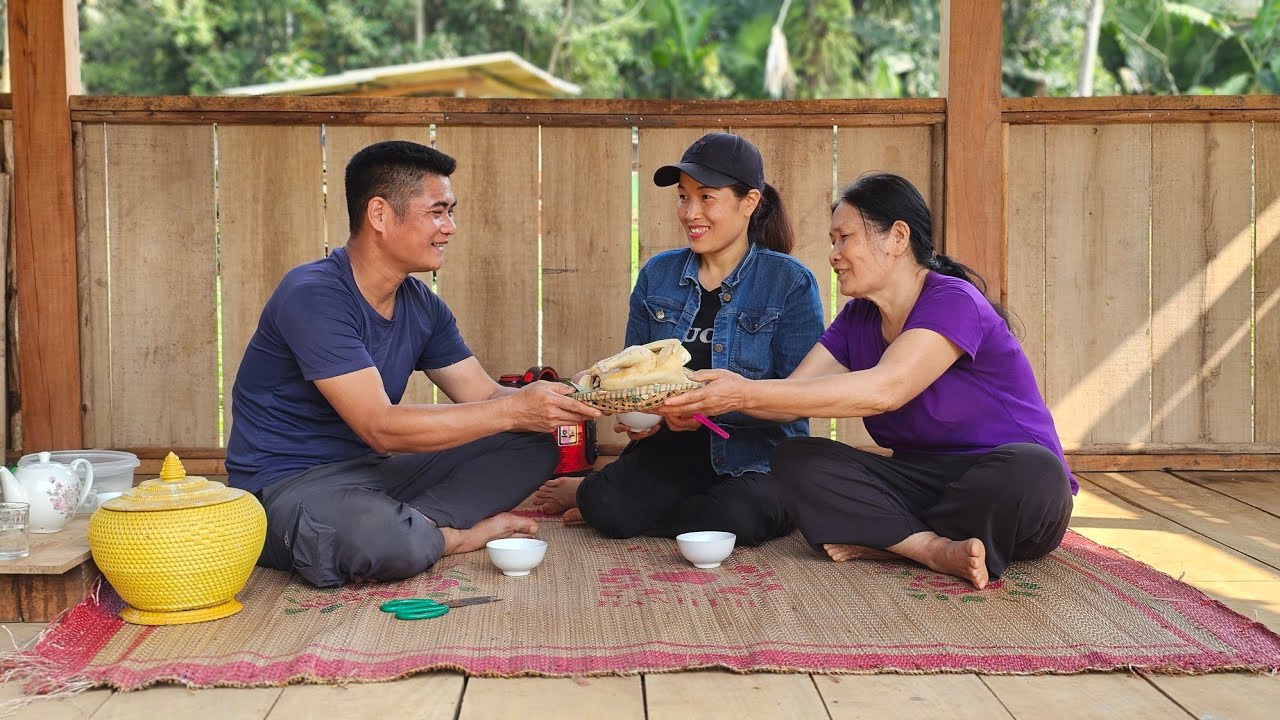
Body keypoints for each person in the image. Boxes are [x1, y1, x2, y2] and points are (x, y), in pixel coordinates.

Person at [662, 173, 1073, 589]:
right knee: (796, 458)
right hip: (920, 480)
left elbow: (886, 390)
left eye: (844, 238)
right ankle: (928, 548)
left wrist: (744, 390)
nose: (834, 254)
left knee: (1035, 472)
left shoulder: (953, 300)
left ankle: (889, 536)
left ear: (897, 237)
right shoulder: (858, 318)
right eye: (832, 241)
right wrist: (703, 398)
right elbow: (790, 400)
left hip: (1004, 482)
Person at [226, 140, 599, 588]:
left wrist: (580, 396)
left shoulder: (421, 305)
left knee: (531, 441)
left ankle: (411, 531)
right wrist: (515, 409)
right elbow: (378, 426)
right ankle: (442, 537)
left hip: (374, 475)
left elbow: (484, 397)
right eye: (437, 212)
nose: (451, 227)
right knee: (376, 534)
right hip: (286, 488)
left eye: (451, 212)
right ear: (380, 214)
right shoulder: (312, 294)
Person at [533, 132, 825, 546]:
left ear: (750, 202)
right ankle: (606, 500)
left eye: (707, 197)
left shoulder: (789, 281)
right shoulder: (658, 274)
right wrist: (638, 415)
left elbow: (799, 397)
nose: (690, 212)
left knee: (740, 515)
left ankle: (595, 497)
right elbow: (631, 370)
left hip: (756, 455)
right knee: (613, 507)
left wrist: (724, 402)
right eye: (683, 197)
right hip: (673, 447)